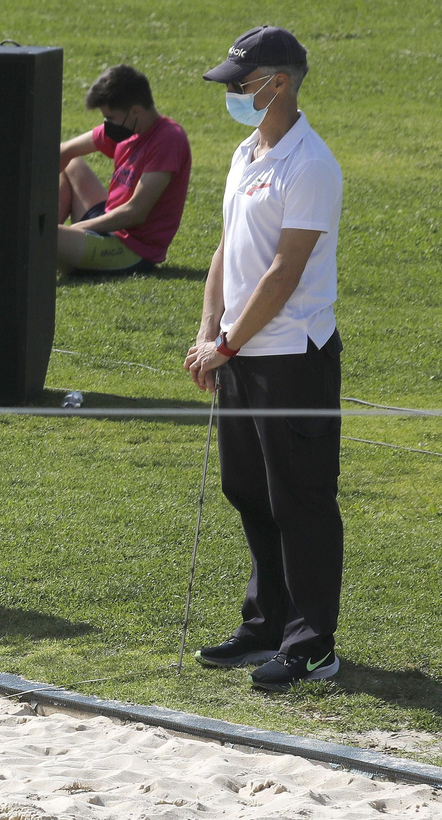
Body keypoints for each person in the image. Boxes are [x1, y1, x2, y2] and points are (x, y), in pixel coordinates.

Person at [184, 26, 345, 692]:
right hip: (241, 351)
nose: (231, 92)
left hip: (290, 358)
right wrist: (209, 332)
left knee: (299, 497)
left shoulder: (310, 164)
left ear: (277, 82)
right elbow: (227, 249)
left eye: (240, 82)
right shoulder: (246, 153)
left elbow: (284, 272)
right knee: (247, 488)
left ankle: (312, 644)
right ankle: (266, 623)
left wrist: (227, 341)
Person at [56, 64, 191, 275]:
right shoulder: (128, 129)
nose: (107, 124)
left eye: (110, 118)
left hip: (132, 249)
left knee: (43, 237)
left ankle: (50, 246)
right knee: (71, 163)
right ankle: (51, 246)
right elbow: (65, 151)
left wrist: (76, 230)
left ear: (135, 111)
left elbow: (135, 212)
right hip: (108, 225)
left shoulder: (168, 138)